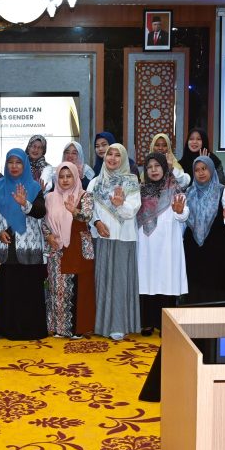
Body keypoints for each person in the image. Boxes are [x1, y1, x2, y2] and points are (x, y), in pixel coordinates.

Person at [0, 149, 48, 340]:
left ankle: (31, 331)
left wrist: (26, 204)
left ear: (25, 165)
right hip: (5, 246)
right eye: (10, 162)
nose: (14, 166)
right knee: (7, 290)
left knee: (29, 290)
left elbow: (40, 211)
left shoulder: (34, 187)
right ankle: (7, 330)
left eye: (18, 162)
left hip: (29, 246)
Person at [87, 143, 141, 340]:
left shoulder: (131, 180)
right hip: (102, 237)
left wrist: (120, 205)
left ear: (124, 159)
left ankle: (119, 325)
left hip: (124, 237)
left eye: (117, 155)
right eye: (109, 154)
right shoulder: (95, 182)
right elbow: (88, 209)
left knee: (120, 282)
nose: (112, 158)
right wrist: (97, 222)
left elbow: (133, 209)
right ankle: (102, 325)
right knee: (102, 281)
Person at [136, 153, 189, 336]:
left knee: (166, 281)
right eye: (149, 167)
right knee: (147, 281)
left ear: (164, 168)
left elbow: (184, 215)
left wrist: (180, 212)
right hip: (146, 243)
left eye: (157, 166)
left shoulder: (174, 188)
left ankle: (165, 324)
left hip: (168, 243)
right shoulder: (140, 190)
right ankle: (148, 322)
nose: (153, 170)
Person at [42, 161, 95, 338]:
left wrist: (75, 211)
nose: (65, 180)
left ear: (75, 176)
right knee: (58, 288)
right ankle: (59, 328)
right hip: (57, 247)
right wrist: (49, 236)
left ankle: (77, 329)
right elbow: (44, 221)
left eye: (69, 176)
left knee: (78, 287)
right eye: (61, 176)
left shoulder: (84, 195)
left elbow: (87, 216)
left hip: (77, 246)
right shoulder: (50, 198)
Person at [182, 156, 225, 303]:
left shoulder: (223, 191)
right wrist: (178, 212)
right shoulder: (189, 192)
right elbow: (183, 217)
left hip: (217, 247)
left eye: (204, 168)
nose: (201, 173)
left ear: (212, 169)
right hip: (193, 248)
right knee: (195, 287)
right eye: (197, 170)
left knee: (217, 288)